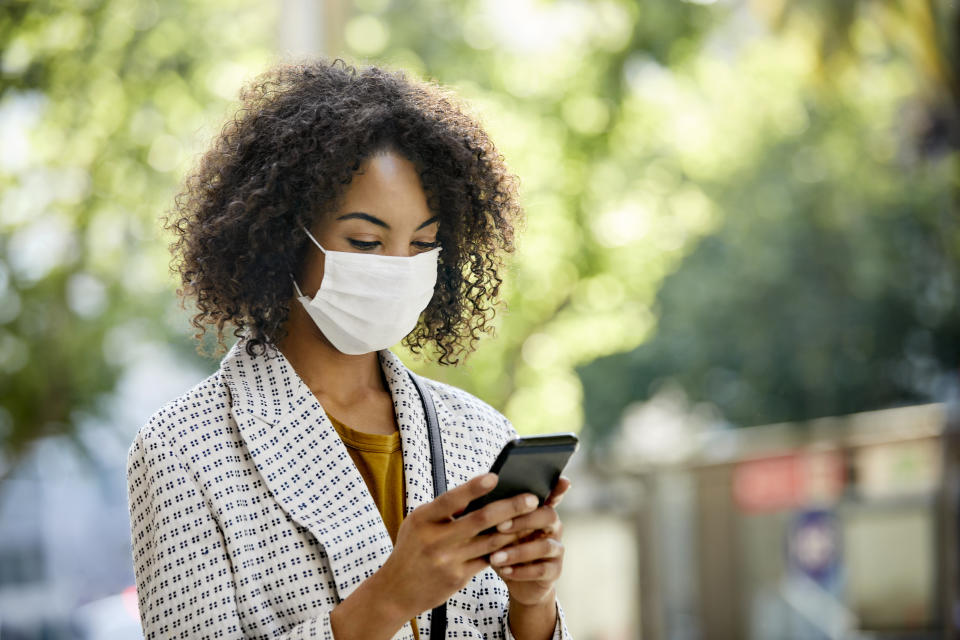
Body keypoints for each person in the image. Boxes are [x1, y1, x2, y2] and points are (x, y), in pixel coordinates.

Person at [125, 57, 573, 640]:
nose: (398, 268)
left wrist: (533, 607)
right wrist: (384, 603)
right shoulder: (182, 452)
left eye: (423, 243)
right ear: (285, 237)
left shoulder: (478, 433)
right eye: (365, 240)